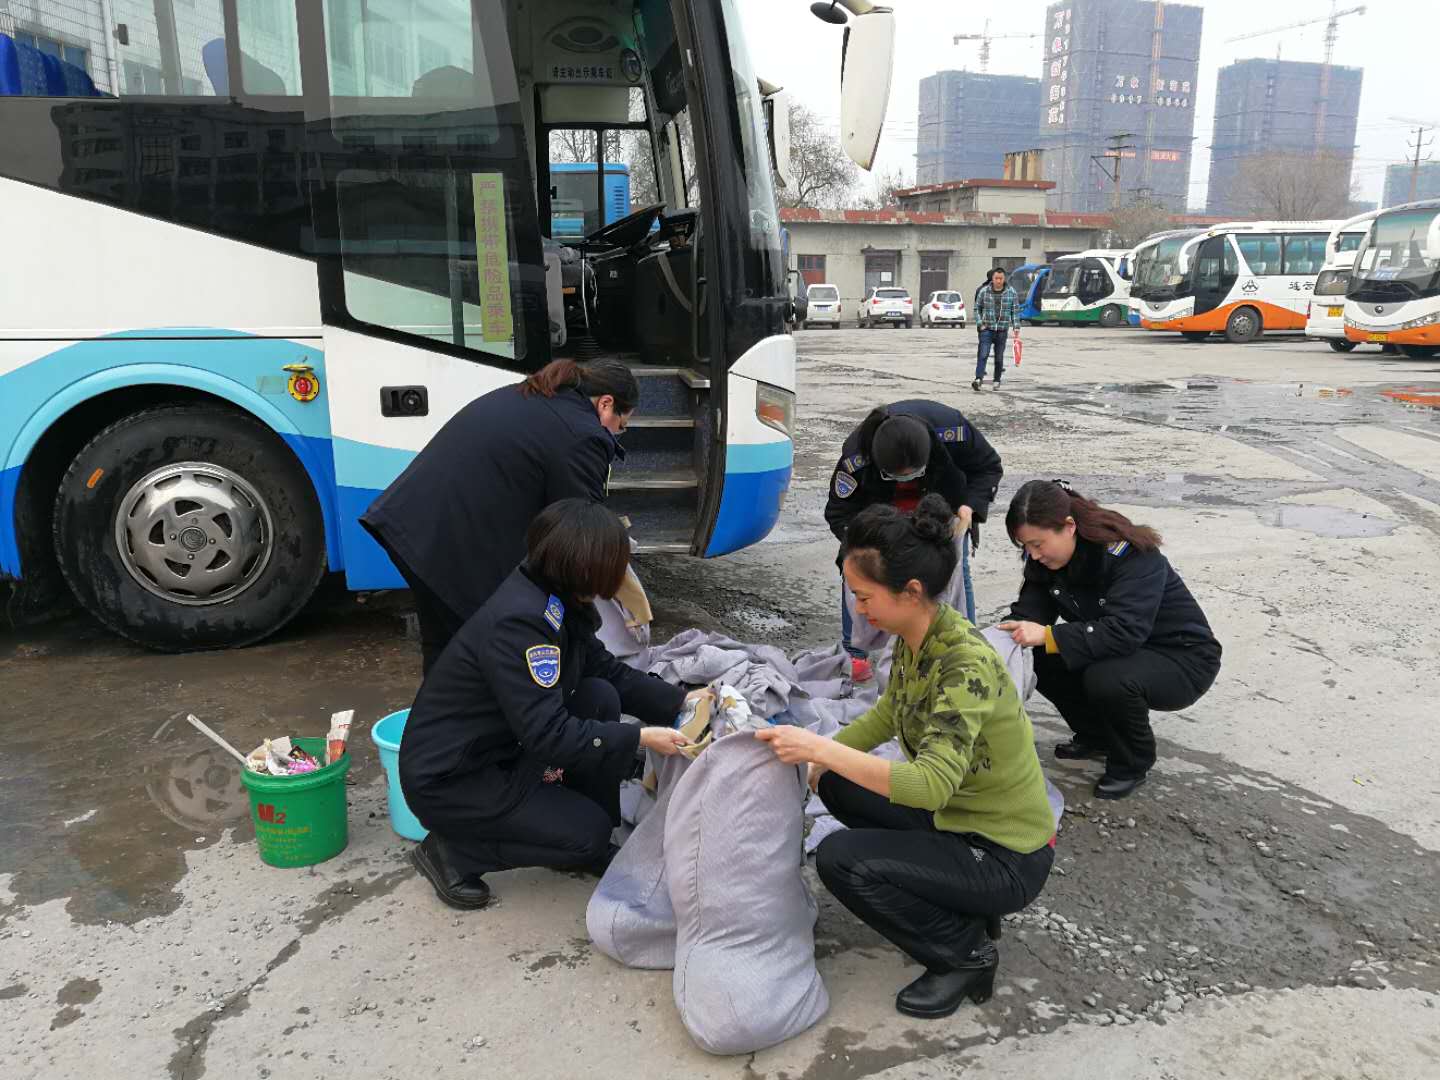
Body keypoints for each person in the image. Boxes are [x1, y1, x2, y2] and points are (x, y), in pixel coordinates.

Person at [756, 495, 1055, 1019]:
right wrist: (817, 759)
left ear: (911, 591)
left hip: (1005, 854)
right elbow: (886, 717)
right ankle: (961, 904)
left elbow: (929, 785)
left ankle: (966, 955)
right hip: (957, 820)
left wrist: (820, 748)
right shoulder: (916, 637)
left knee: (841, 859)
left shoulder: (964, 664)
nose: (858, 609)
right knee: (836, 782)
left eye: (864, 596)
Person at [400, 499, 702, 910]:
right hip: (455, 778)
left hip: (498, 747)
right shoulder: (520, 624)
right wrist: (641, 737)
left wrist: (682, 700)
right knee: (586, 835)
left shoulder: (551, 593)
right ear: (584, 568)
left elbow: (604, 669)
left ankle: (580, 829)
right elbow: (548, 734)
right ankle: (454, 853)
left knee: (599, 695)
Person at [362, 358, 639, 672]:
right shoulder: (582, 434)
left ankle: (441, 702)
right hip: (450, 540)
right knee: (487, 655)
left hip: (415, 522)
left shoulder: (537, 396)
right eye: (621, 426)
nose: (617, 434)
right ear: (606, 404)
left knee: (448, 649)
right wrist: (587, 623)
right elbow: (579, 535)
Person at [998, 480, 1222, 800]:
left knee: (1106, 678)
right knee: (1036, 654)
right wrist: (996, 640)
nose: (1033, 555)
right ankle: (1097, 736)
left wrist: (1048, 635)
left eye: (1038, 544)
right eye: (1026, 547)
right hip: (1121, 648)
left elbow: (1125, 631)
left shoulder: (1130, 555)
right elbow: (1029, 615)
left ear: (1069, 527)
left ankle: (1132, 762)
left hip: (1183, 658)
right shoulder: (1046, 561)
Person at [824, 400, 1003, 681]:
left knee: (954, 573)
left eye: (914, 473)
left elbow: (988, 467)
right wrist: (863, 547)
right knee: (858, 576)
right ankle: (855, 653)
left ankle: (965, 645)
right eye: (895, 476)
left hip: (940, 514)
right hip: (882, 522)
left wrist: (970, 506)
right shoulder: (857, 458)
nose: (906, 479)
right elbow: (839, 511)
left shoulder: (952, 430)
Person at [972, 267, 1018, 392]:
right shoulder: (984, 291)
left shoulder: (1011, 292)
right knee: (983, 354)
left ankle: (997, 380)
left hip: (1002, 330)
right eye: (996, 278)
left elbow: (1015, 311)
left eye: (1000, 278)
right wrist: (980, 324)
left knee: (999, 357)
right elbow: (977, 308)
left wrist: (1016, 327)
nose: (998, 281)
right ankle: (978, 379)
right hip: (987, 329)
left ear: (1004, 278)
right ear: (992, 278)